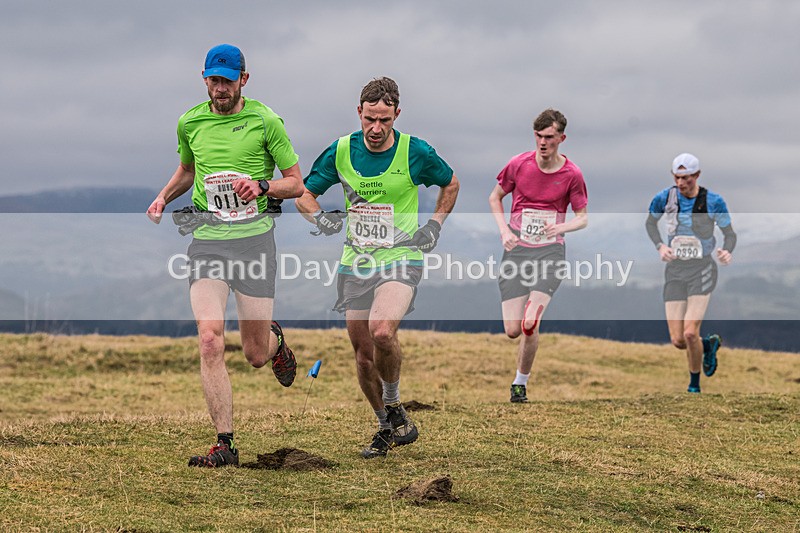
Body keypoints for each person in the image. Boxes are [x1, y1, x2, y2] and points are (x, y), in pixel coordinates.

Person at [146, 44, 304, 467]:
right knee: (210, 338)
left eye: (226, 81)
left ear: (243, 81)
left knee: (254, 354)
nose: (219, 89)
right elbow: (188, 170)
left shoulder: (265, 121)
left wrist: (263, 186)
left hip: (254, 244)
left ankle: (276, 344)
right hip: (208, 242)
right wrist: (163, 197)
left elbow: (297, 184)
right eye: (212, 81)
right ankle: (225, 444)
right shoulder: (190, 121)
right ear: (205, 80)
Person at [295, 77, 459, 458]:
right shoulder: (340, 151)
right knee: (363, 353)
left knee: (382, 331)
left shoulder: (414, 152)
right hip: (357, 262)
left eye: (384, 120)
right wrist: (320, 219)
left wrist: (434, 225)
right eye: (369, 119)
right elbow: (305, 194)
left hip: (401, 257)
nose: (375, 128)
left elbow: (450, 184)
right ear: (359, 112)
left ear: (396, 115)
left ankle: (395, 401)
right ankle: (386, 425)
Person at [488, 108, 588, 404]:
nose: (543, 143)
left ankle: (520, 383)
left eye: (549, 137)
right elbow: (495, 197)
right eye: (538, 136)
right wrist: (504, 231)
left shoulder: (572, 174)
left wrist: (559, 226)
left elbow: (583, 218)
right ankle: (521, 368)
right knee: (512, 331)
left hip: (550, 252)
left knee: (530, 323)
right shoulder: (518, 164)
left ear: (561, 138)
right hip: (517, 251)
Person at [646, 153, 736, 393]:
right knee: (678, 340)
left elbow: (730, 234)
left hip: (702, 269)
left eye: (686, 178)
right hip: (675, 270)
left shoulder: (714, 202)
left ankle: (694, 387)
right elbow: (650, 223)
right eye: (677, 177)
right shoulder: (664, 198)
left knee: (689, 332)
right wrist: (660, 246)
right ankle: (709, 345)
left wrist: (727, 252)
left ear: (696, 176)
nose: (681, 183)